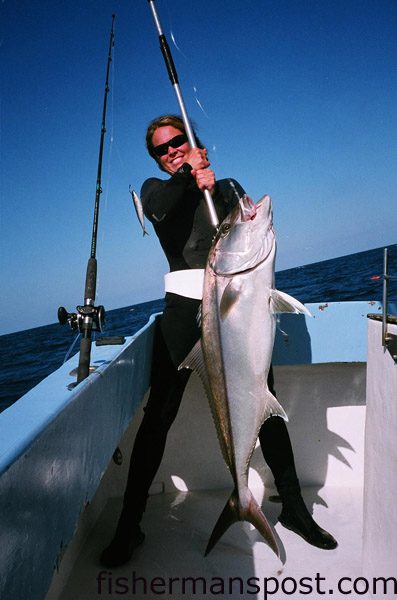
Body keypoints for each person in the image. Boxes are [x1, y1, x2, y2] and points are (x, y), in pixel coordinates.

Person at [100, 115, 337, 567]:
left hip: (236, 306)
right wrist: (189, 172)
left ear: (196, 143)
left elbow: (256, 232)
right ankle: (129, 528)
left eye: (179, 143)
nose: (170, 151)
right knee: (159, 417)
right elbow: (161, 211)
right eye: (162, 149)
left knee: (263, 402)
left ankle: (293, 508)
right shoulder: (155, 189)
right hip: (184, 310)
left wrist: (214, 183)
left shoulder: (225, 187)